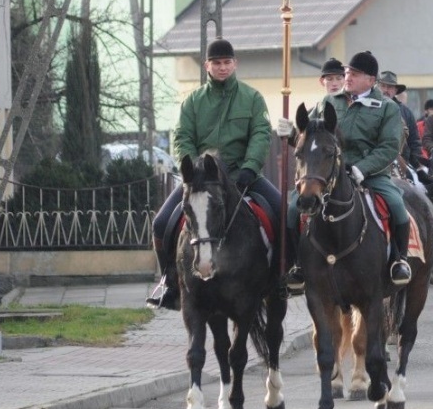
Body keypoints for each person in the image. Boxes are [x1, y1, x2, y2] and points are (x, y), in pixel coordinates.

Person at [146, 38, 281, 309]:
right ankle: (170, 282)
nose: (222, 68)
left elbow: (260, 135)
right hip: (201, 180)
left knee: (283, 213)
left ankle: (282, 277)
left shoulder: (252, 98)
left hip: (243, 175)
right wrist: (194, 169)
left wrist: (249, 168)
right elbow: (182, 137)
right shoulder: (193, 102)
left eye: (227, 62)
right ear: (207, 65)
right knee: (161, 224)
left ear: (235, 64)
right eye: (217, 63)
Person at [280, 50, 412, 292]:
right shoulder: (328, 102)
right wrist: (289, 131)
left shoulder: (387, 108)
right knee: (291, 209)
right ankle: (296, 265)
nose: (348, 77)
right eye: (348, 72)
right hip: (328, 174)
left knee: (397, 205)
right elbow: (307, 136)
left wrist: (362, 169)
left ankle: (398, 260)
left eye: (355, 74)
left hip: (370, 174)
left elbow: (389, 146)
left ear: (371, 80)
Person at [378, 70, 423, 170]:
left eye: (389, 87)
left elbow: (414, 141)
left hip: (402, 163)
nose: (386, 90)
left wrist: (417, 165)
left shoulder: (406, 112)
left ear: (395, 90)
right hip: (374, 163)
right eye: (383, 86)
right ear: (377, 88)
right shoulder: (368, 108)